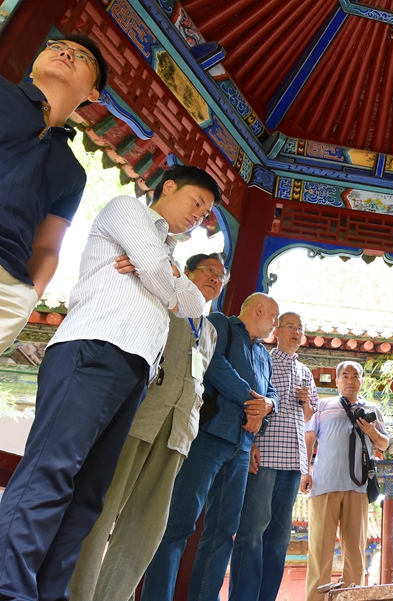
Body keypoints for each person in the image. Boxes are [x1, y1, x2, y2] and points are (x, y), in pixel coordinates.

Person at [0, 165, 219, 601]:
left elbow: (195, 304)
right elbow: (160, 275)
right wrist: (160, 276)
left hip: (135, 370)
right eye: (197, 202)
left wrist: (162, 274)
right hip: (93, 349)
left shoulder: (167, 254)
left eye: (206, 213)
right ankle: (9, 586)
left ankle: (50, 593)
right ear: (168, 187)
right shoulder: (128, 211)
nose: (199, 216)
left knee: (89, 494)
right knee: (51, 470)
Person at [68, 253, 227, 601]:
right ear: (186, 274)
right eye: (209, 271)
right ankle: (78, 594)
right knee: (102, 509)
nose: (216, 278)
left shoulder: (211, 331)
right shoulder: (163, 303)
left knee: (147, 525)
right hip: (141, 417)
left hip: (178, 432)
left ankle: (112, 596)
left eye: (222, 276)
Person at [143, 292, 280, 601]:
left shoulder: (264, 354)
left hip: (241, 449)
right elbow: (214, 365)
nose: (276, 324)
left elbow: (272, 394)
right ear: (259, 309)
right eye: (274, 317)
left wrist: (267, 406)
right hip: (209, 437)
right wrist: (251, 401)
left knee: (224, 531)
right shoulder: (221, 324)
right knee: (179, 523)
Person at [0, 36, 108, 353]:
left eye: (81, 56)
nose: (65, 53)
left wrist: (27, 297)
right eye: (56, 46)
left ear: (93, 93)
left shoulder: (74, 173)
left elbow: (47, 246)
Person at [229, 312, 318, 601]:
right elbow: (251, 403)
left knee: (279, 539)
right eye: (290, 326)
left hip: (293, 460)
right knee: (252, 532)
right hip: (265, 455)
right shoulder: (264, 360)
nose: (295, 332)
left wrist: (305, 401)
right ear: (276, 331)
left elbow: (308, 416)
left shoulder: (305, 373)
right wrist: (251, 444)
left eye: (300, 328)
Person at [304, 361, 389, 601]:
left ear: (361, 380)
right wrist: (305, 471)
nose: (350, 380)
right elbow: (309, 438)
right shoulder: (322, 406)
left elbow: (384, 444)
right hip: (324, 485)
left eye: (355, 376)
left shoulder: (372, 409)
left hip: (358, 487)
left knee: (355, 553)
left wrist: (371, 431)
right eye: (345, 375)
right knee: (319, 551)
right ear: (337, 380)